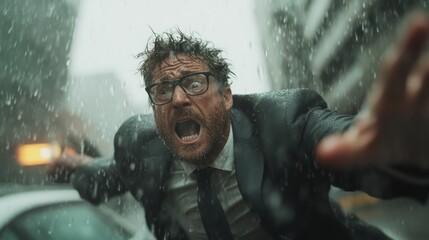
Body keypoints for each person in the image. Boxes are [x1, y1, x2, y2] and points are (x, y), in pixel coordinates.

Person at [72, 13, 429, 240]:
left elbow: (348, 143)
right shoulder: (139, 147)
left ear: (226, 96)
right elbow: (107, 175)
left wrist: (402, 153)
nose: (179, 99)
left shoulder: (283, 122)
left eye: (194, 83)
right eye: (163, 90)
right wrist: (73, 169)